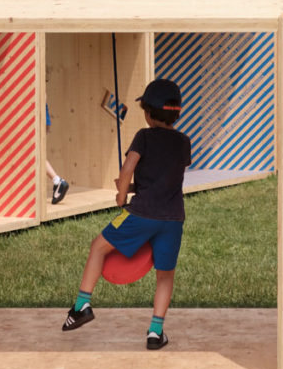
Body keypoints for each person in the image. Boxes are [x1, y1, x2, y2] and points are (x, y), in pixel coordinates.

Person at [62, 78, 191, 349]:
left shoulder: (143, 137)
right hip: (173, 221)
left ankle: (81, 306)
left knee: (98, 246)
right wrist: (133, 187)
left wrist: (122, 194)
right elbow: (166, 179)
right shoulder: (183, 142)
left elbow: (129, 166)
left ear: (147, 112)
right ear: (177, 113)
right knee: (165, 275)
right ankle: (155, 333)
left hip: (137, 213)